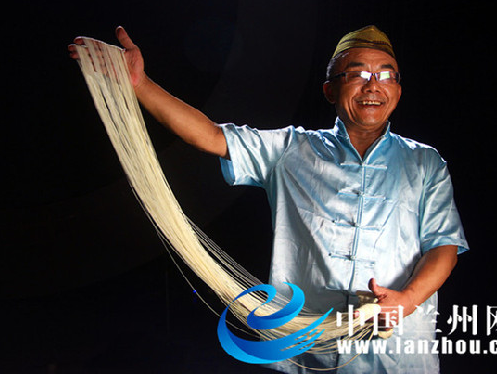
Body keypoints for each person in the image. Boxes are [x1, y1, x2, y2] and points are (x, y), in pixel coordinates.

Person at [69, 25, 469, 373]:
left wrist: (407, 300)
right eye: (358, 73)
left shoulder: (424, 163)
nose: (373, 85)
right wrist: (139, 85)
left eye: (386, 75)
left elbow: (444, 246)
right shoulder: (291, 150)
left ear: (397, 89)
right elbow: (208, 135)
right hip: (306, 352)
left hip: (395, 356)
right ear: (330, 89)